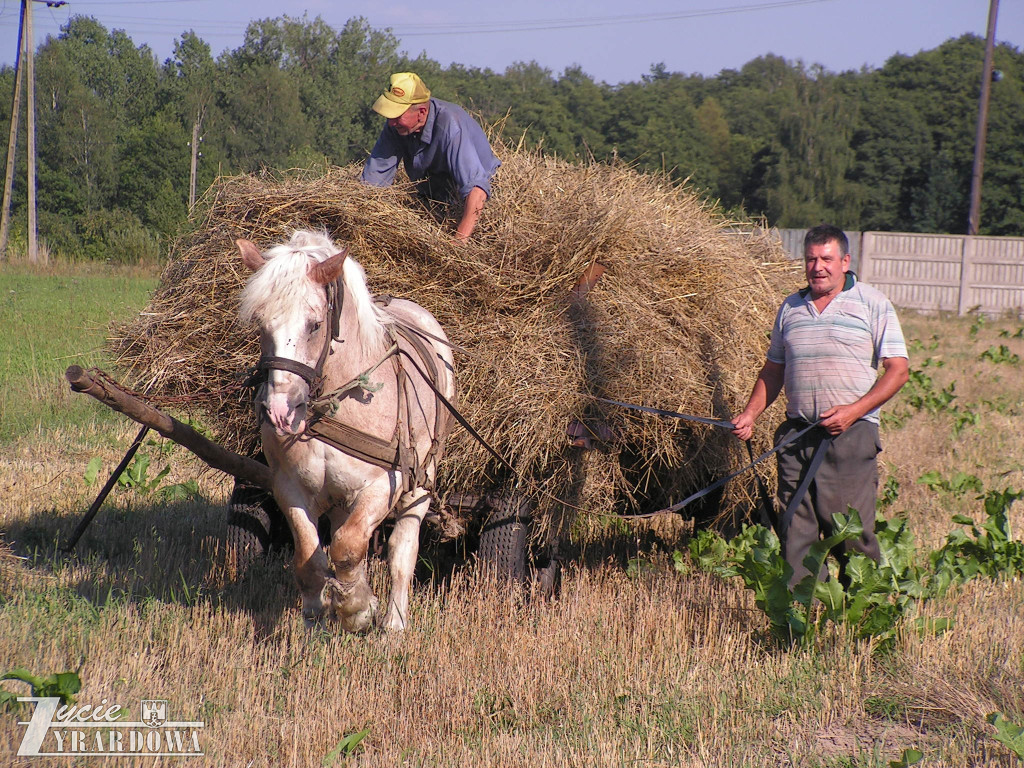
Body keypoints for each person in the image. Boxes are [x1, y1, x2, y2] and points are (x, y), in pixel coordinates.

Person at [731, 224, 909, 586]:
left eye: (826, 259)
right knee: (795, 530)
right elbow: (774, 369)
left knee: (849, 531)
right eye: (811, 259)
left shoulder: (872, 303)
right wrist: (750, 414)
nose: (818, 267)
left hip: (850, 434)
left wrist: (853, 412)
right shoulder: (791, 307)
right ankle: (801, 607)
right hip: (797, 435)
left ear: (845, 261)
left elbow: (898, 370)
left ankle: (861, 605)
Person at [361, 72, 501, 241]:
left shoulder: (451, 126)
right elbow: (373, 183)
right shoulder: (396, 127)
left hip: (474, 203)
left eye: (397, 115)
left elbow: (477, 190)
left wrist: (458, 244)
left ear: (421, 112)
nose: (391, 122)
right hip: (434, 201)